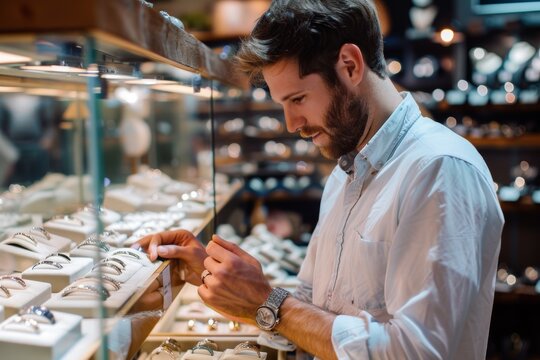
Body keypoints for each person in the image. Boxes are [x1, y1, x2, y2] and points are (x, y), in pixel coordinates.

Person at [136, 0, 504, 358]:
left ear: (349, 65)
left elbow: (416, 352)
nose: (291, 124)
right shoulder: (346, 175)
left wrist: (266, 300)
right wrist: (218, 279)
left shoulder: (439, 170)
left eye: (298, 99)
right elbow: (314, 314)